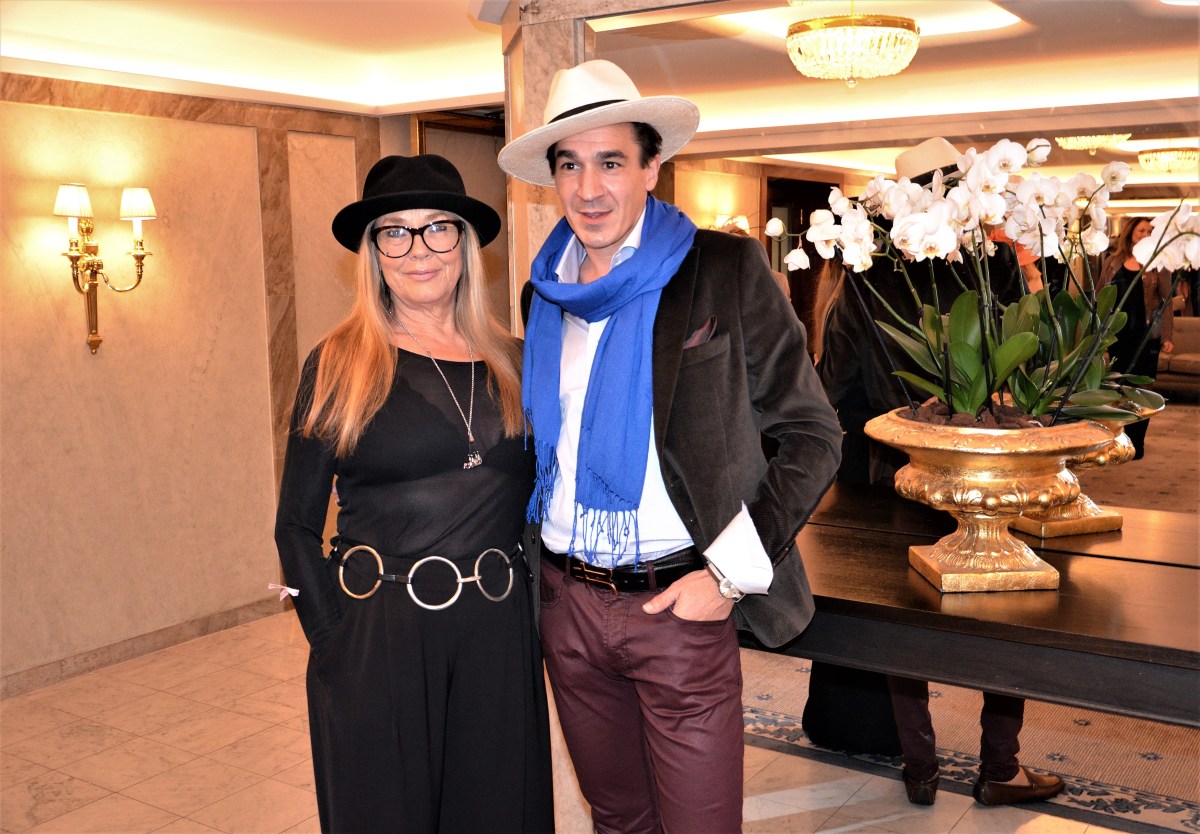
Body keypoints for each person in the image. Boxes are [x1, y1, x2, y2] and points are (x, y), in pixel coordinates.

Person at [497, 59, 842, 834]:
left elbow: (813, 433)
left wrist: (725, 575)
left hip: (680, 604)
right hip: (567, 603)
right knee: (618, 818)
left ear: (652, 167)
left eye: (611, 162)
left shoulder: (721, 269)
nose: (589, 188)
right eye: (570, 165)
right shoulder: (544, 291)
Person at [274, 154, 554, 833]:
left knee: (496, 813)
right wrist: (333, 641)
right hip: (380, 634)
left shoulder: (518, 361)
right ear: (373, 253)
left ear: (465, 242)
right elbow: (295, 525)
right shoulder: (338, 363)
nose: (418, 249)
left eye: (437, 228)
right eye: (394, 232)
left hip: (497, 632)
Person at [816, 137, 1065, 809]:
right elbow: (1029, 368)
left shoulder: (866, 275)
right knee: (1003, 610)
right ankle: (999, 767)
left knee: (905, 619)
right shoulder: (994, 268)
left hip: (889, 472)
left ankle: (920, 767)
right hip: (984, 468)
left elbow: (832, 383)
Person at [1097, 216, 1176, 458]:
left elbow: (1166, 302)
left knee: (1143, 391)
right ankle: (1119, 439)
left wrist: (1167, 335)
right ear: (1130, 232)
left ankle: (1137, 443)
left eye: (1149, 231)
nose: (1146, 234)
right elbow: (1101, 297)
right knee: (1118, 390)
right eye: (1141, 230)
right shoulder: (1113, 262)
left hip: (1146, 337)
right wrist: (1099, 335)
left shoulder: (1158, 263)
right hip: (1119, 337)